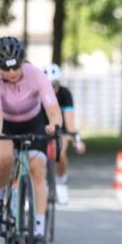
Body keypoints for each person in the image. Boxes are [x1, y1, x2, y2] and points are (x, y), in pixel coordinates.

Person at [0, 36, 61, 244]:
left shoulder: (37, 76)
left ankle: (38, 230)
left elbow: (52, 108)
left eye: (16, 67)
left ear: (23, 61)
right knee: (4, 158)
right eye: (5, 70)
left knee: (38, 171)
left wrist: (54, 124)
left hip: (34, 122)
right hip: (6, 123)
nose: (12, 73)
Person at [43, 63, 85, 204]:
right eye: (48, 86)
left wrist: (77, 140)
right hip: (40, 127)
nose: (52, 90)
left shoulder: (65, 94)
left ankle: (61, 183)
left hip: (59, 128)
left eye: (55, 85)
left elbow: (70, 121)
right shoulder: (37, 94)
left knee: (59, 153)